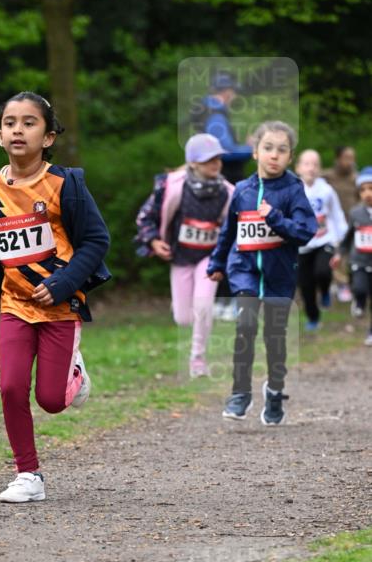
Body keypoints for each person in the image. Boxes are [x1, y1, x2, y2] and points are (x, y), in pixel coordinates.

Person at [0, 91, 111, 503]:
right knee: (11, 387)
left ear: (48, 137)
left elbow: (96, 240)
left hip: (60, 306)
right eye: (10, 122)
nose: (18, 129)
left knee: (50, 400)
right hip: (14, 305)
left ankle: (74, 375)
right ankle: (28, 474)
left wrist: (65, 283)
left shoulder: (64, 185)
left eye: (29, 122)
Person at [206, 120, 317, 425]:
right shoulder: (242, 190)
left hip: (279, 274)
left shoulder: (293, 189)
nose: (274, 155)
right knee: (245, 327)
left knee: (275, 337)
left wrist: (276, 219)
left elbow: (306, 232)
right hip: (244, 271)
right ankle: (240, 393)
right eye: (268, 148)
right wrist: (217, 263)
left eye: (282, 150)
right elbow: (229, 231)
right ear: (255, 152)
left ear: (290, 156)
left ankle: (275, 391)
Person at [134, 133, 234, 377]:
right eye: (209, 160)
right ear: (193, 163)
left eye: (218, 159)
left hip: (208, 257)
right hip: (180, 257)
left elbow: (234, 227)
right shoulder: (171, 186)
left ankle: (197, 359)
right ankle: (182, 307)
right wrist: (154, 241)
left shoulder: (228, 192)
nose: (216, 164)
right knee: (183, 318)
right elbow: (145, 217)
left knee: (203, 305)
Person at [195, 72, 254, 320]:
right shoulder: (216, 116)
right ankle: (225, 301)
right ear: (227, 92)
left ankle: (219, 300)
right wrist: (251, 147)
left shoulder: (207, 113)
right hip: (225, 187)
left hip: (216, 187)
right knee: (230, 239)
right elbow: (225, 151)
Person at [295, 149, 347, 330]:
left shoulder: (326, 190)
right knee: (306, 286)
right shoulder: (293, 190)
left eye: (315, 164)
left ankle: (325, 291)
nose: (311, 168)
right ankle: (313, 317)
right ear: (298, 167)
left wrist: (342, 238)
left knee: (323, 272)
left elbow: (336, 213)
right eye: (307, 164)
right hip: (303, 246)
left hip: (325, 240)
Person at [340, 166, 372, 346]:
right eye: (363, 190)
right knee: (360, 288)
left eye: (371, 189)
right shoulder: (355, 213)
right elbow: (348, 236)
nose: (367, 194)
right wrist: (340, 253)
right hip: (358, 260)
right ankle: (358, 303)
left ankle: (370, 332)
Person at [323, 145, 358, 301]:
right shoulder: (328, 176)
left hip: (353, 221)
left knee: (353, 253)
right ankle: (339, 283)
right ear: (338, 159)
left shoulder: (356, 178)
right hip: (334, 222)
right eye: (346, 158)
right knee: (337, 253)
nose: (350, 162)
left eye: (352, 158)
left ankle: (352, 282)